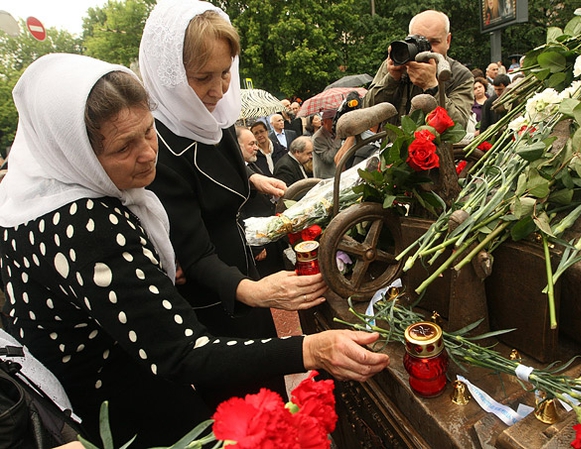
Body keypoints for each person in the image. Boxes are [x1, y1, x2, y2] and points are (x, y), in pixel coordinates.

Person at [0, 51, 389, 447]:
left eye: (149, 132)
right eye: (123, 148)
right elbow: (184, 352)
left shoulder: (31, 201)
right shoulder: (86, 224)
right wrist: (312, 349)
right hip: (121, 410)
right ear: (74, 153)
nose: (148, 153)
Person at [140, 0, 381, 407]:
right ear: (170, 77)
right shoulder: (158, 146)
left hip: (245, 278)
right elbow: (194, 253)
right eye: (203, 78)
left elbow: (218, 179)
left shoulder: (214, 120)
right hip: (215, 299)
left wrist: (251, 179)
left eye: (225, 73)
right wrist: (252, 290)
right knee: (246, 409)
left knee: (269, 388)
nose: (218, 90)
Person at [364, 10, 474, 128]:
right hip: (391, 144)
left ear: (448, 41)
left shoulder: (460, 75)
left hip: (433, 145)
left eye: (434, 42)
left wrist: (432, 87)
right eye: (418, 42)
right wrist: (391, 79)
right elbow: (366, 110)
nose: (426, 50)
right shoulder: (396, 63)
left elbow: (458, 125)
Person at [236, 126, 285, 276]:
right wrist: (255, 246)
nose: (256, 148)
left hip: (269, 236)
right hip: (259, 242)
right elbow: (239, 213)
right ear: (236, 147)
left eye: (255, 143)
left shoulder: (251, 166)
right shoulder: (236, 175)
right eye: (251, 144)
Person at [311, 109, 341, 178]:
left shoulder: (335, 132)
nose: (336, 123)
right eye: (333, 120)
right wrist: (338, 139)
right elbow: (328, 158)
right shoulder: (318, 138)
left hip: (339, 174)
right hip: (326, 178)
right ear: (325, 121)